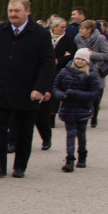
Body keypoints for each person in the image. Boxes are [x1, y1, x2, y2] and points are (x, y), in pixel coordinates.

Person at [0, 0, 54, 179]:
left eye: (17, 11)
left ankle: (20, 166)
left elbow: (47, 63)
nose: (12, 14)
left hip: (28, 90)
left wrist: (40, 88)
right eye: (10, 11)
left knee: (24, 131)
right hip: (2, 88)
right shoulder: (0, 30)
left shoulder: (41, 33)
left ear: (27, 11)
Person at [52, 48, 101, 171]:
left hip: (83, 108)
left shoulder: (90, 74)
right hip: (68, 107)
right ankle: (70, 159)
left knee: (81, 133)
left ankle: (82, 155)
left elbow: (94, 93)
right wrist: (61, 95)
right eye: (77, 58)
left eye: (82, 59)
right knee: (70, 134)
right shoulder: (64, 71)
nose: (79, 61)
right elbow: (55, 87)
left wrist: (74, 93)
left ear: (87, 61)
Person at [34, 15, 77, 149]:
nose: (64, 29)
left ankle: (49, 124)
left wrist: (60, 60)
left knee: (51, 97)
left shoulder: (68, 39)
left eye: (65, 27)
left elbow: (72, 54)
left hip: (59, 72)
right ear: (54, 27)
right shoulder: (45, 37)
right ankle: (13, 141)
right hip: (41, 71)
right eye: (61, 27)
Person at [74, 19, 108, 128]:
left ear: (89, 30)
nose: (80, 30)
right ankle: (82, 115)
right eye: (80, 28)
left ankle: (94, 116)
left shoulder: (100, 38)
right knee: (81, 95)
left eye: (82, 29)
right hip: (81, 69)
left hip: (96, 70)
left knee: (95, 97)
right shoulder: (78, 38)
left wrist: (92, 54)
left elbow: (106, 54)